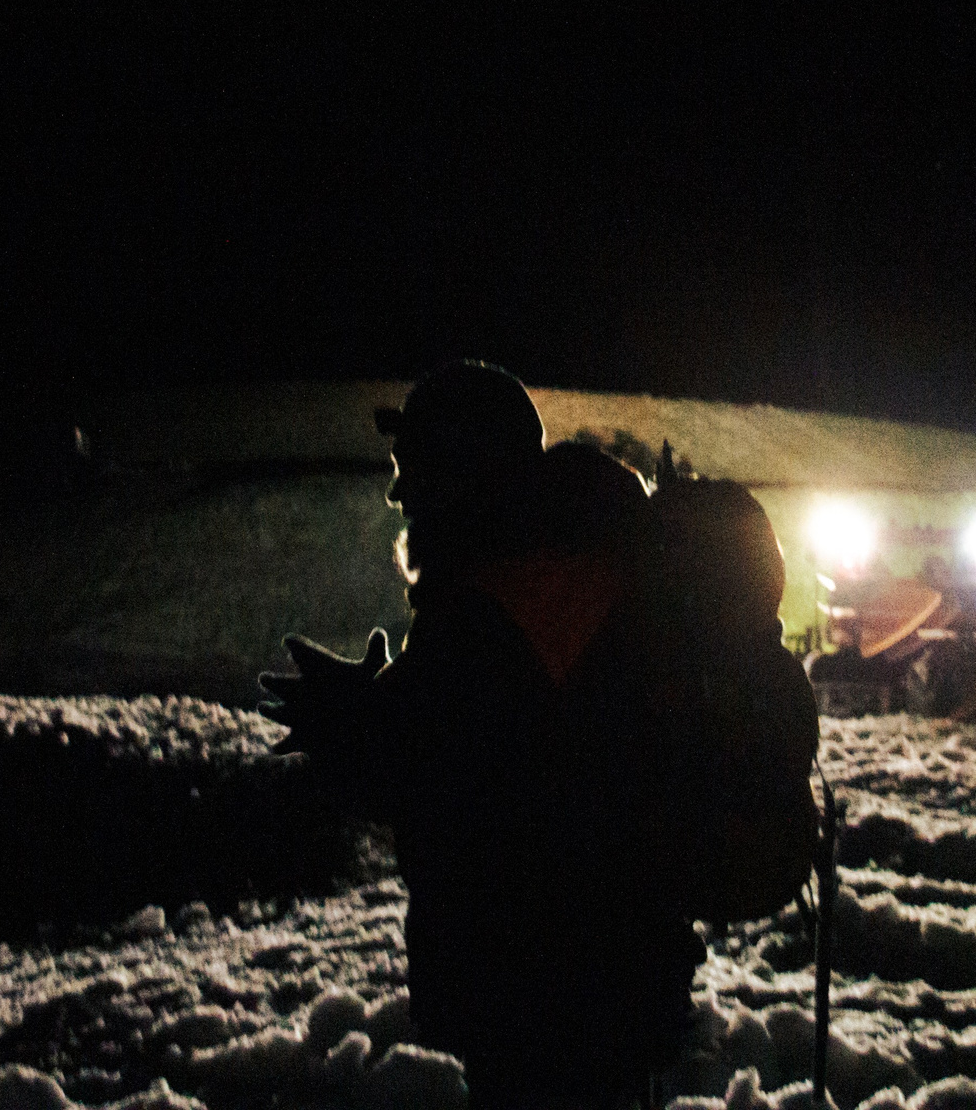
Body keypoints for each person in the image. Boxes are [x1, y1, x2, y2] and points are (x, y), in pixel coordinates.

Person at [265, 361, 702, 1109]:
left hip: (543, 981)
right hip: (610, 965)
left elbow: (448, 774)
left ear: (463, 471)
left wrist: (346, 722)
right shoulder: (562, 572)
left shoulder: (499, 606)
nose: (398, 492)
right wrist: (377, 704)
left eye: (413, 468)